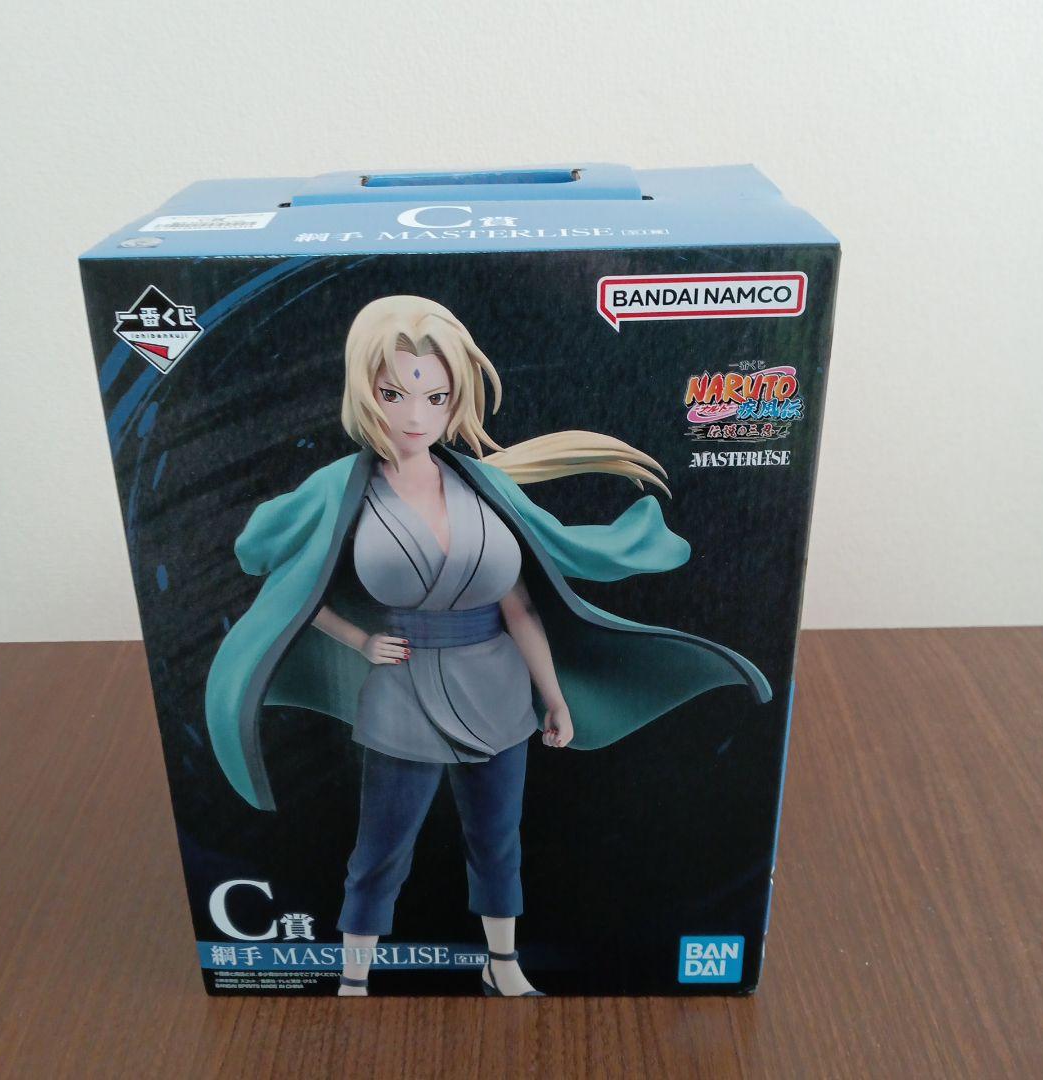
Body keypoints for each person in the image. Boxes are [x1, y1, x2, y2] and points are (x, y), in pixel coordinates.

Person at [205, 295, 772, 997]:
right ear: (365, 392)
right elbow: (282, 580)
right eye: (394, 394)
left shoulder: (484, 485)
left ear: (455, 400)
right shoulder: (339, 488)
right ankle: (353, 977)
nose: (416, 415)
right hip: (403, 687)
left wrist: (554, 697)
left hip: (499, 686)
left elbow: (521, 606)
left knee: (498, 839)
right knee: (381, 847)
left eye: (435, 396)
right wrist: (359, 639)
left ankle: (502, 965)